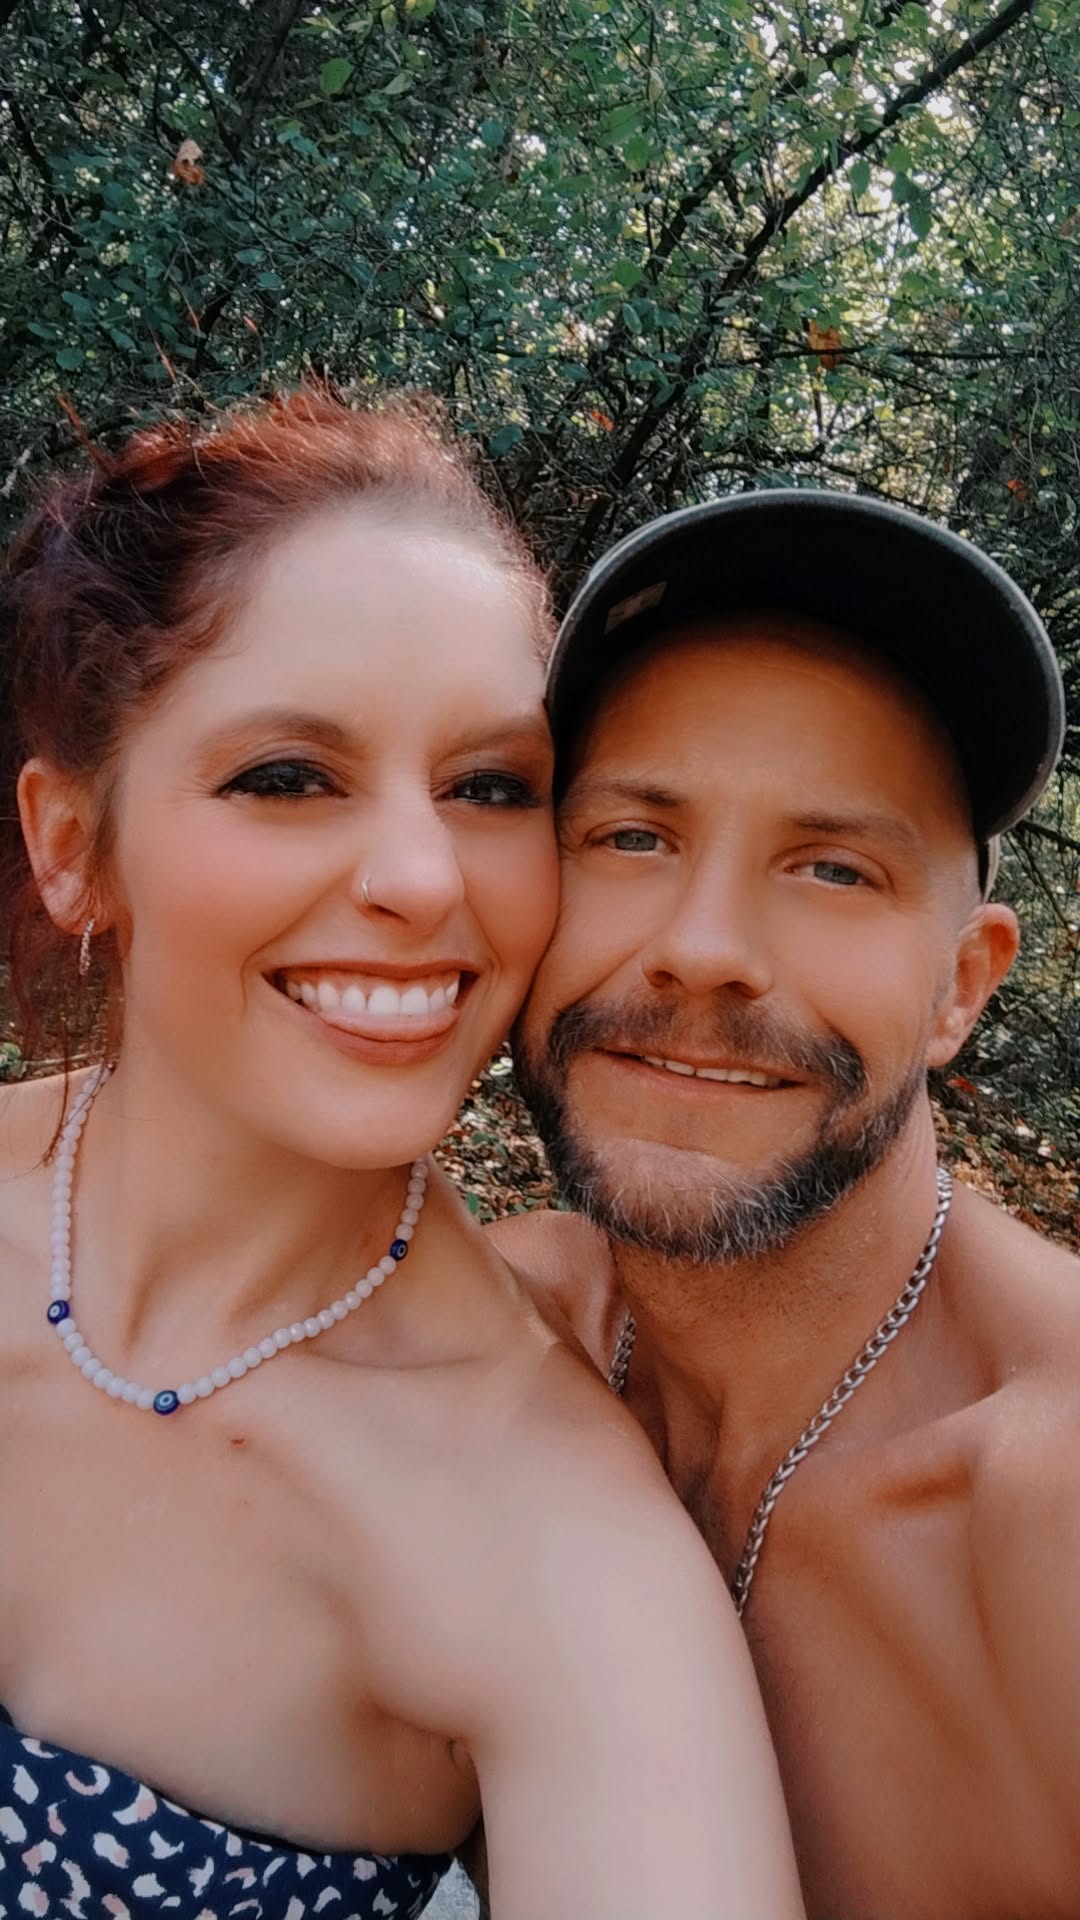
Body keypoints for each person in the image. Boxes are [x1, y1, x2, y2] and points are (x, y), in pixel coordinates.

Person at [0, 394, 805, 1920]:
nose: (423, 879)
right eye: (287, 777)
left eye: (491, 788)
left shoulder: (551, 1545)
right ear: (70, 844)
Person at [498, 491, 1080, 1920]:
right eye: (632, 837)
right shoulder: (485, 1334)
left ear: (959, 987)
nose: (705, 949)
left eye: (834, 868)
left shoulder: (1043, 1506)